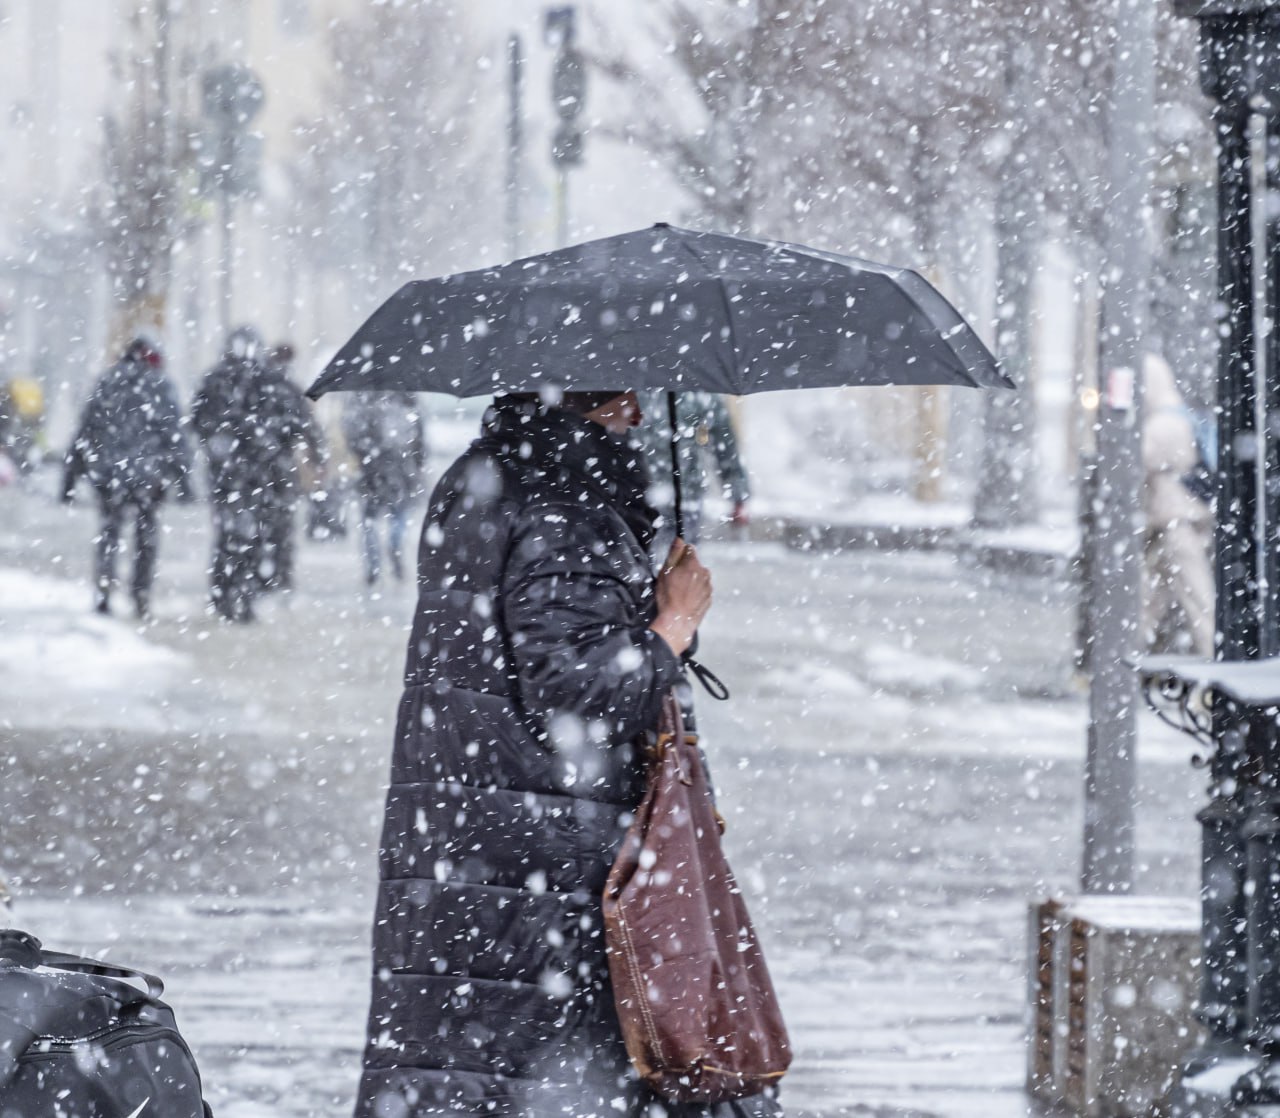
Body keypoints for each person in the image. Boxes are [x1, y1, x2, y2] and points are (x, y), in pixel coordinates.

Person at [353, 390, 777, 1117]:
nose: (641, 415)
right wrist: (673, 624)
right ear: (592, 396)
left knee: (462, 1080)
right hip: (546, 867)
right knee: (553, 1082)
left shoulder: (481, 476)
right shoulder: (566, 502)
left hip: (468, 845)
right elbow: (577, 690)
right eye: (627, 396)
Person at [61, 336, 192, 619]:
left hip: (110, 476)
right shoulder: (161, 386)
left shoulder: (108, 382)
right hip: (149, 478)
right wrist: (183, 481)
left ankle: (104, 592)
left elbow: (86, 431)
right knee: (146, 538)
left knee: (109, 534)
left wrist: (69, 480)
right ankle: (141, 595)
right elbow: (174, 436)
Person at [190, 326, 275, 622]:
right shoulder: (262, 380)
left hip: (232, 471)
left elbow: (198, 420)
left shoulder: (220, 379)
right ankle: (239, 595)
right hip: (247, 471)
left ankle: (226, 594)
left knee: (229, 534)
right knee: (246, 535)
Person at [1142, 353, 1214, 657]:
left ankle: (1216, 665)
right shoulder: (1179, 415)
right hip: (1176, 524)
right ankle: (1124, 660)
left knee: (1197, 602)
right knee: (1149, 599)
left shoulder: (1163, 424)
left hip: (1177, 526)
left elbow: (1131, 463)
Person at [636, 391, 751, 555]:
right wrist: (738, 495)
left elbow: (724, 443)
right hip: (679, 494)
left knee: (648, 562)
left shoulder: (633, 385)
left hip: (655, 494)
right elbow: (725, 445)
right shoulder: (700, 388)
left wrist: (738, 494)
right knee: (679, 561)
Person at [257, 343, 326, 593]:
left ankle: (262, 574)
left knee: (260, 523)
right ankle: (281, 574)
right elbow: (309, 428)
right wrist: (318, 459)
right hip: (281, 468)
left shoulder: (257, 387)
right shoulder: (290, 389)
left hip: (254, 471)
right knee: (282, 525)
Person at [341, 390, 425, 585]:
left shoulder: (363, 397)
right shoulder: (407, 396)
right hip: (401, 469)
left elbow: (352, 434)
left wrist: (363, 455)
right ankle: (395, 548)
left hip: (372, 469)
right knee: (398, 515)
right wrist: (418, 463)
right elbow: (419, 436)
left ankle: (373, 565)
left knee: (370, 520)